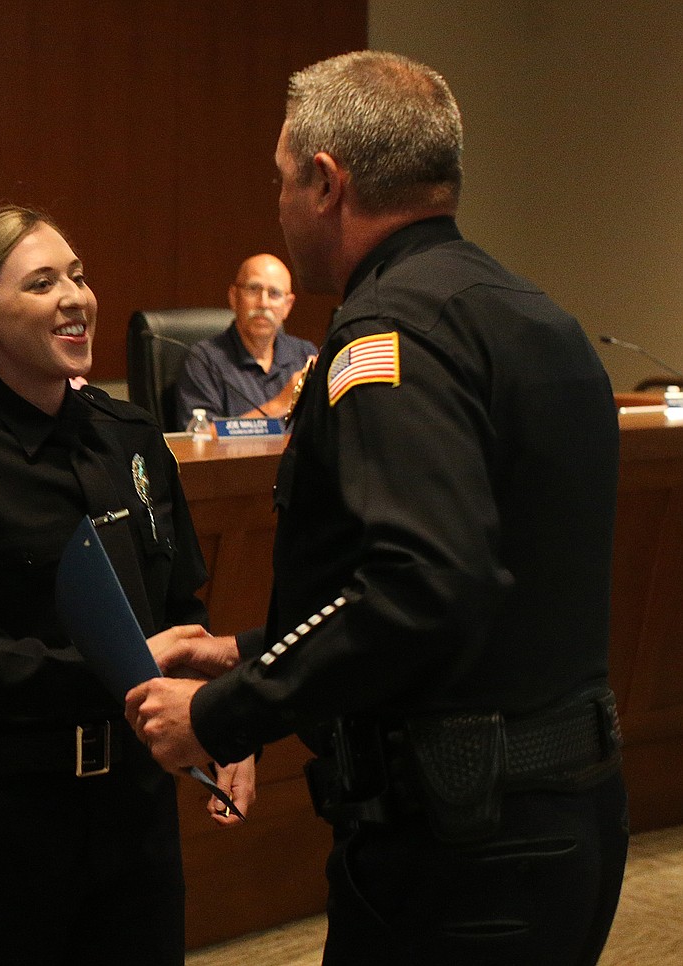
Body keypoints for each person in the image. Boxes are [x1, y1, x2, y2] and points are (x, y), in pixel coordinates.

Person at [127, 50, 628, 966]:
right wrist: (246, 647)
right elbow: (488, 581)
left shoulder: (386, 331)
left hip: (457, 847)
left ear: (327, 182)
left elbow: (422, 585)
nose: (276, 204)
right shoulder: (534, 313)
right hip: (569, 810)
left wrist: (227, 711)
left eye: (282, 180)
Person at [0, 205, 254, 965]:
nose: (75, 297)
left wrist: (224, 719)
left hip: (133, 816)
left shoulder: (132, 436)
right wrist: (118, 674)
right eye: (42, 283)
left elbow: (182, 607)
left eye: (77, 275)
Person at [173, 253, 316, 429]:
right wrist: (278, 406)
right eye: (253, 290)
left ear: (288, 305)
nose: (263, 303)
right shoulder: (203, 360)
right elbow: (199, 438)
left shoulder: (304, 354)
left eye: (274, 293)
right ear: (234, 297)